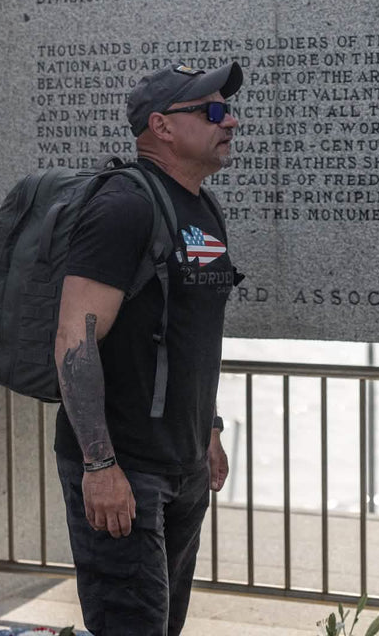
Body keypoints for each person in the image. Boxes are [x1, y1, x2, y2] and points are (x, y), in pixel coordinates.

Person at [53, 60, 243, 636]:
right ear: (161, 126)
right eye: (212, 111)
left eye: (228, 108)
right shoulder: (123, 208)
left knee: (165, 625)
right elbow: (73, 341)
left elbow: (193, 329)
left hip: (184, 464)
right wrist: (101, 465)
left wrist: (207, 427)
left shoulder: (203, 209)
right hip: (124, 467)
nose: (230, 120)